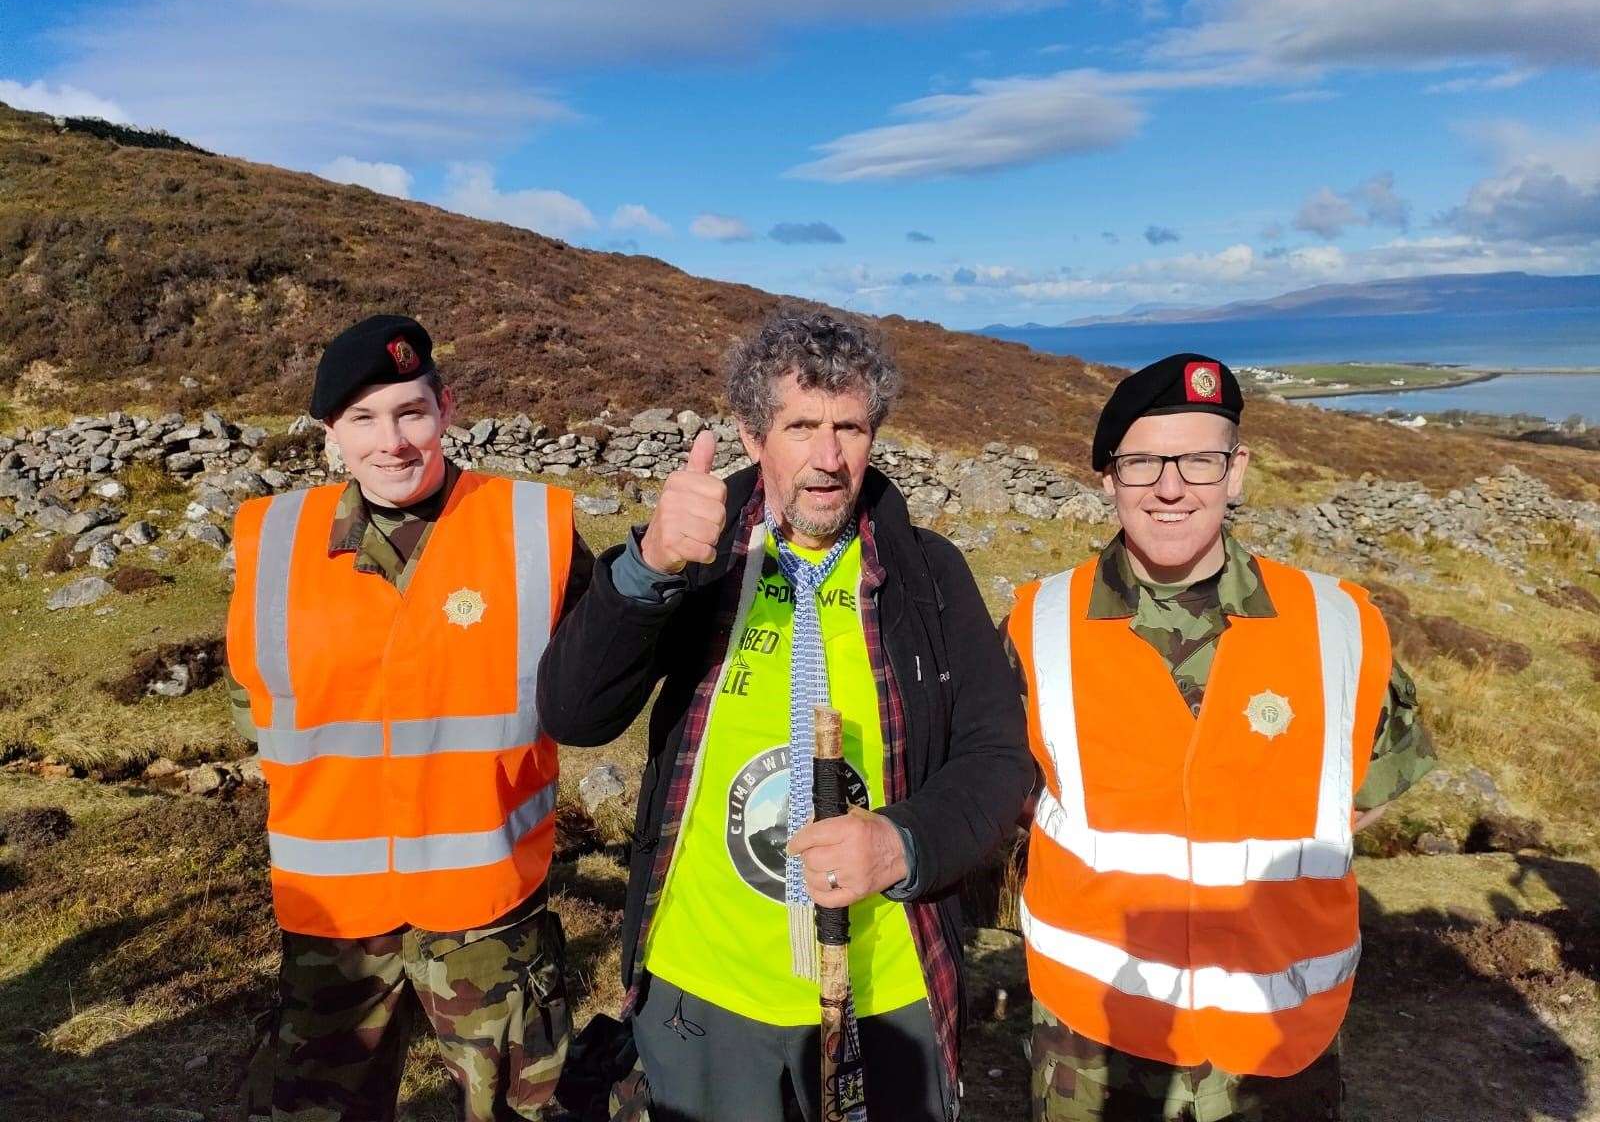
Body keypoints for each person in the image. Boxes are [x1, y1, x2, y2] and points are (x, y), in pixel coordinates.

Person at [538, 308, 1033, 1121]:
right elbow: (574, 711)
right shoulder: (697, 558)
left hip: (887, 990)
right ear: (750, 434)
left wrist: (901, 842)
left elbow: (995, 758)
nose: (829, 459)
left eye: (851, 427)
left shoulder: (929, 575)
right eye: (801, 426)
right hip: (705, 989)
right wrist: (644, 568)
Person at [1008, 353, 1436, 1122]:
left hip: (1279, 1054)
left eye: (1199, 460)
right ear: (1108, 478)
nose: (1171, 487)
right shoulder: (1034, 625)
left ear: (1236, 471)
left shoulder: (1340, 623)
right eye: (1142, 463)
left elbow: (1372, 784)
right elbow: (1002, 792)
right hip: (1093, 1048)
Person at [225, 313, 586, 1121]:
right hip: (331, 921)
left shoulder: (534, 528)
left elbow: (600, 684)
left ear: (446, 409)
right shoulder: (269, 538)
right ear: (330, 433)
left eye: (410, 411)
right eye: (363, 418)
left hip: (487, 909)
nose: (391, 441)